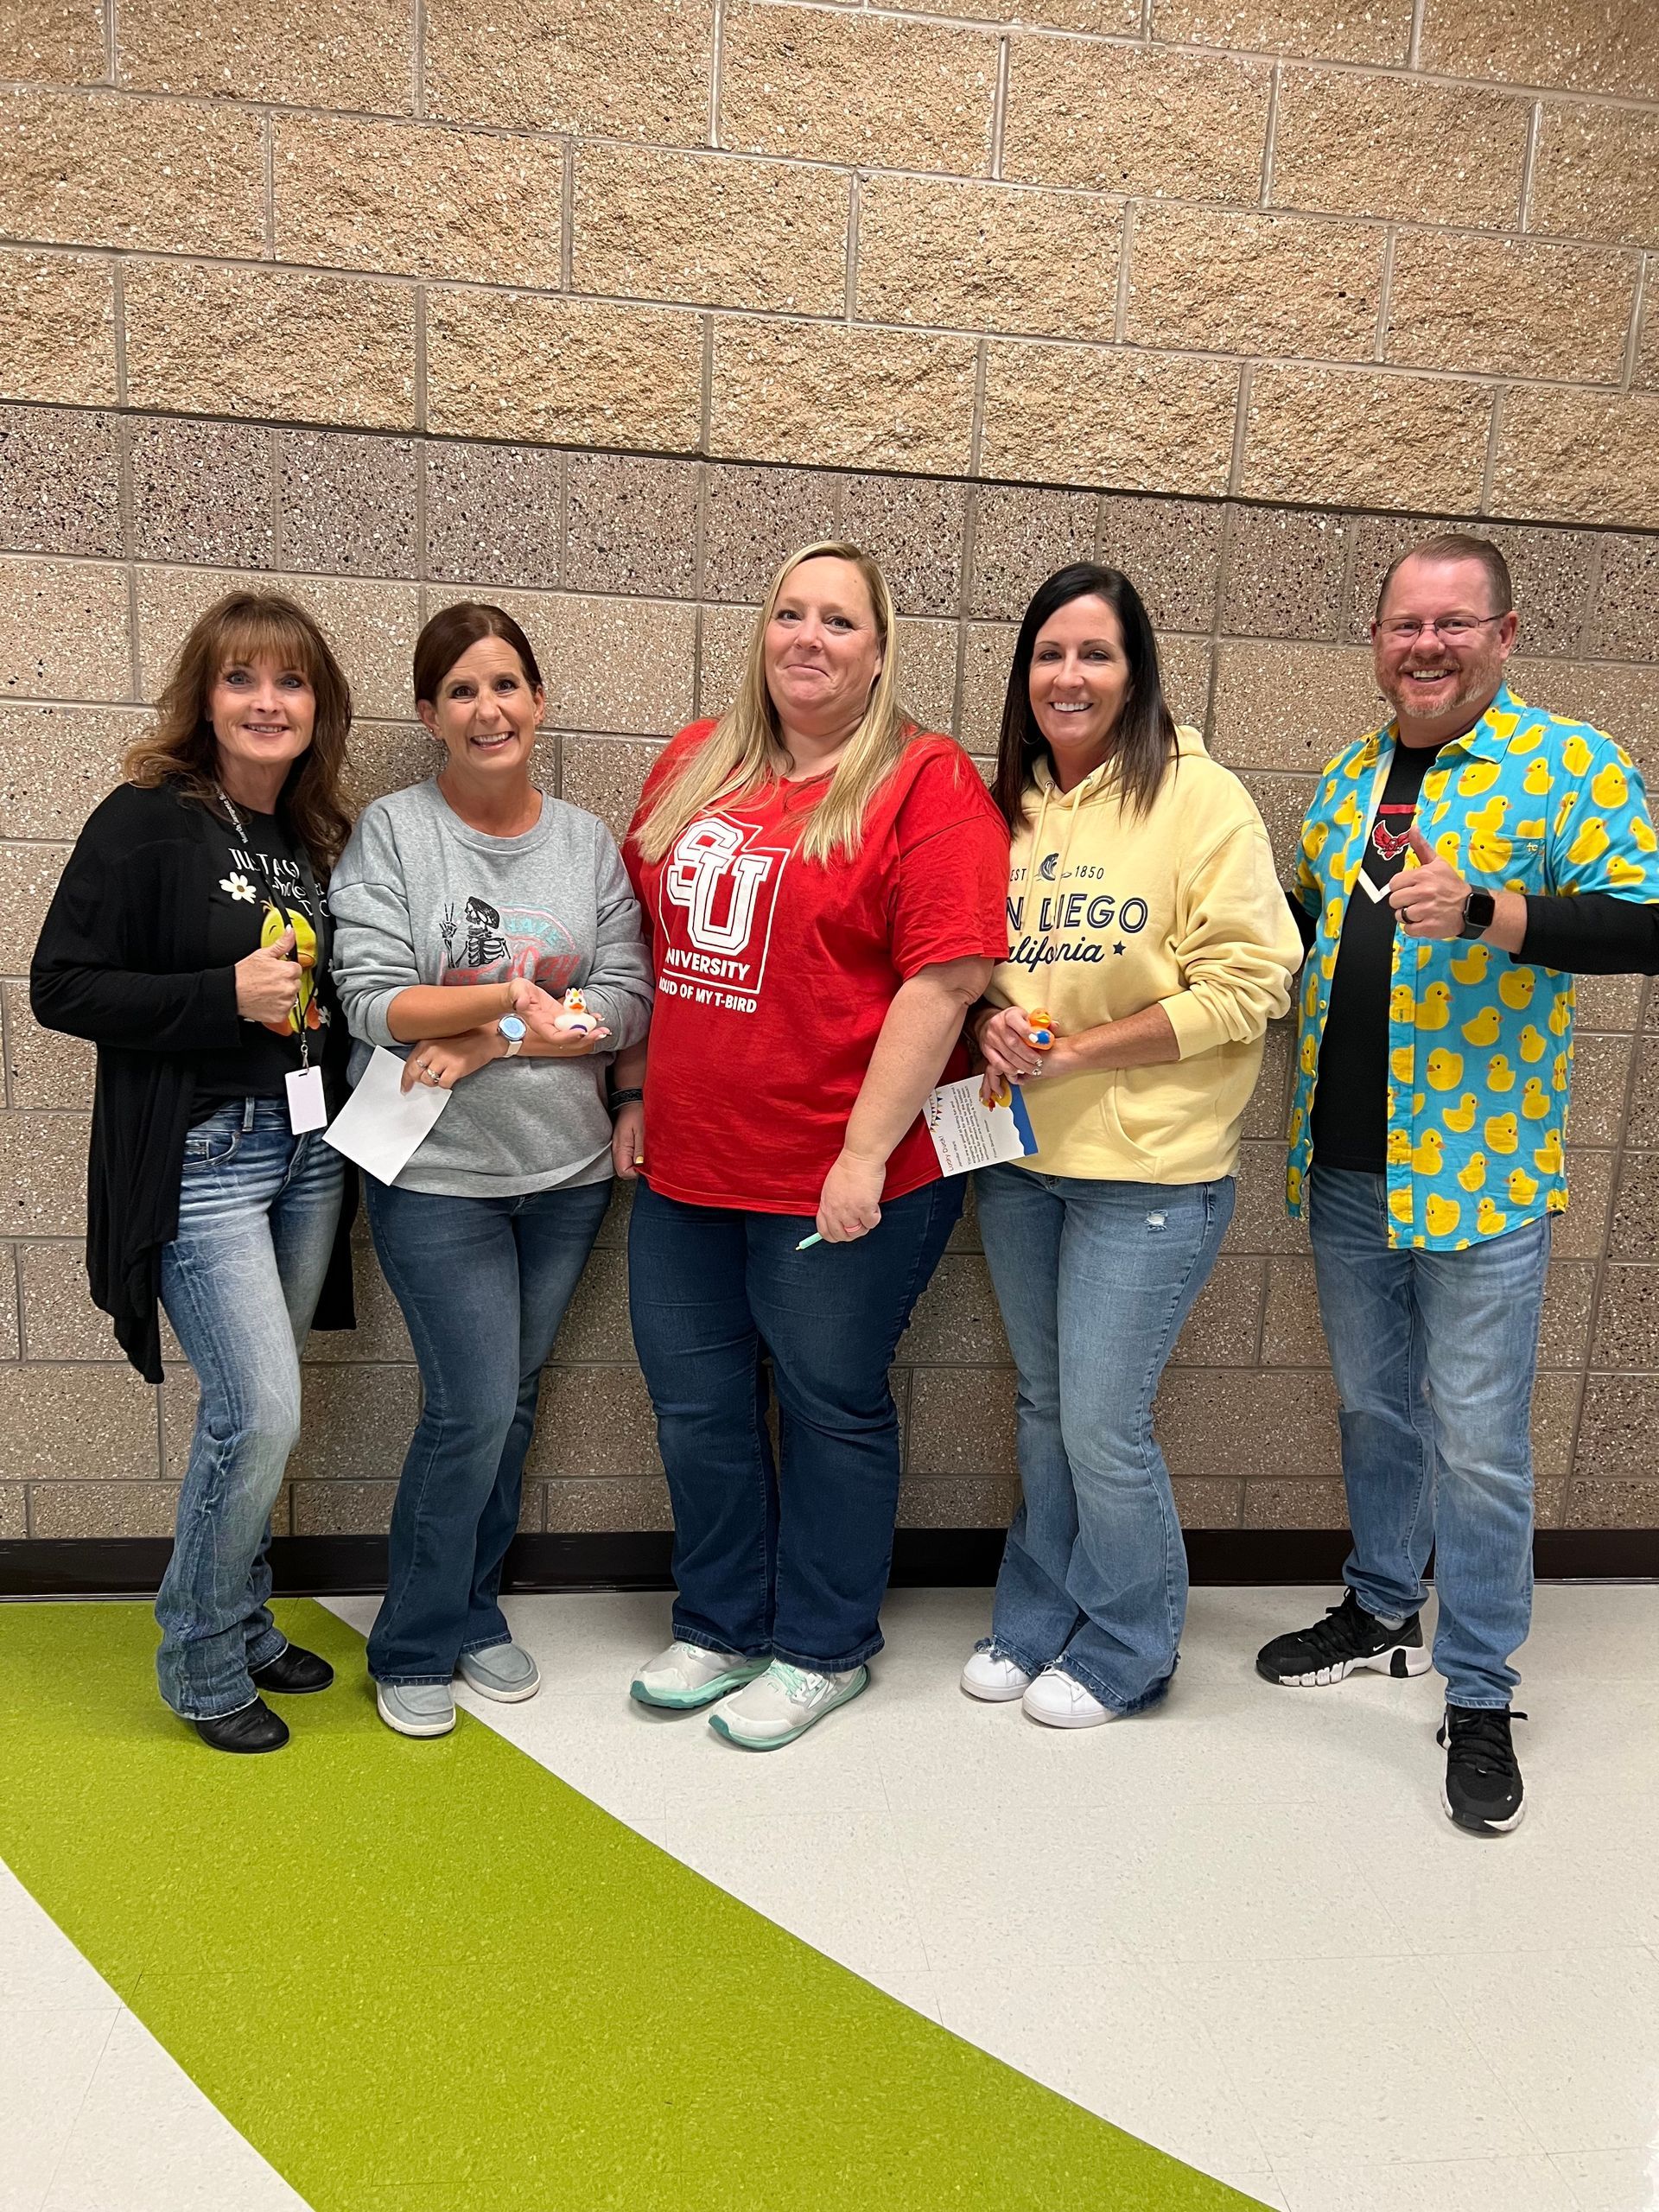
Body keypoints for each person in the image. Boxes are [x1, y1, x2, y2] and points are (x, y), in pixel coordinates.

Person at [1256, 531, 1659, 1834]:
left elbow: (1647, 920)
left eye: (1452, 624)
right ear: (1377, 642)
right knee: (1377, 1408)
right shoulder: (1346, 780)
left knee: (1480, 1445)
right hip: (1346, 1166)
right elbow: (1315, 927)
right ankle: (1382, 1606)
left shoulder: (1566, 769)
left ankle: (1479, 1687)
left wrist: (1495, 912)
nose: (1424, 646)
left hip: (1481, 1180)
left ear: (1505, 633)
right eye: (1403, 626)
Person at [615, 542, 1010, 1751]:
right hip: (687, 1162)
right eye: (789, 612)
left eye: (839, 621)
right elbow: (647, 940)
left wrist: (856, 1158)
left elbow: (945, 983)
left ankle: (823, 1645)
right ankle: (723, 1622)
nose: (808, 637)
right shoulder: (698, 760)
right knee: (697, 1407)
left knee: (831, 1405)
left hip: (845, 1171)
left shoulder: (926, 781)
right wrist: (633, 1088)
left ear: (880, 650)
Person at [961, 564, 1301, 1727]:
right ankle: (1037, 1613)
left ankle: (1132, 1641)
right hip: (1017, 1162)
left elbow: (1258, 981)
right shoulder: (1001, 802)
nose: (1070, 676)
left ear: (1136, 672)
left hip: (1149, 1177)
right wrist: (984, 1018)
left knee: (1104, 1424)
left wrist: (1087, 1052)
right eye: (1049, 654)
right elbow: (963, 957)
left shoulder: (1202, 800)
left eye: (1095, 654)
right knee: (1046, 1410)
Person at [31, 592, 359, 1753]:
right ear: (203, 699)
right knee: (257, 1408)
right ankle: (201, 1658)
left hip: (308, 1153)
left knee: (266, 1408)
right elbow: (58, 987)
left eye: (289, 683)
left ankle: (244, 1613)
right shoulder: (145, 820)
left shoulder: (305, 838)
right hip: (205, 1159)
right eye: (240, 680)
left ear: (319, 708)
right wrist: (220, 997)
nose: (266, 702)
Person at [329, 602, 653, 1740]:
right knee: (467, 1406)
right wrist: (510, 999)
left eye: (506, 685)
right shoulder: (394, 834)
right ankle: (412, 1641)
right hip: (433, 1175)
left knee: (508, 1404)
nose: (488, 709)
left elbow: (621, 1000)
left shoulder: (585, 844)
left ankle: (472, 1611)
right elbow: (370, 999)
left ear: (539, 701)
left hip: (562, 1175)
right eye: (461, 691)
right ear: (428, 715)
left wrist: (488, 1037)